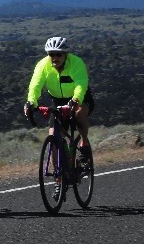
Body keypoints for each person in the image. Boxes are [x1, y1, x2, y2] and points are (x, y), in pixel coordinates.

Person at [23, 36, 94, 186]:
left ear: (66, 54)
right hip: (58, 101)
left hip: (79, 97)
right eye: (51, 54)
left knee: (79, 113)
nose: (55, 57)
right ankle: (59, 180)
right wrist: (31, 102)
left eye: (58, 54)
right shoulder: (42, 66)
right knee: (53, 137)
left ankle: (84, 143)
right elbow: (35, 85)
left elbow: (81, 84)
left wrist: (75, 100)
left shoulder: (76, 63)